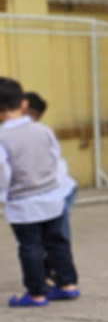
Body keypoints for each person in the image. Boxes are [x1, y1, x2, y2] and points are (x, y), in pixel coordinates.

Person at [1, 79, 79, 307]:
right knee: (57, 243)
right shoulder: (42, 130)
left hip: (23, 203)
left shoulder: (2, 138)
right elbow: (55, 158)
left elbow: (3, 172)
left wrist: (2, 196)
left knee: (31, 247)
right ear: (23, 104)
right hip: (52, 196)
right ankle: (67, 285)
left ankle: (36, 293)